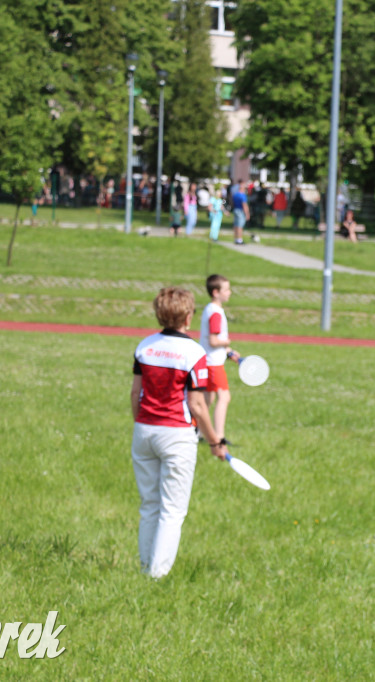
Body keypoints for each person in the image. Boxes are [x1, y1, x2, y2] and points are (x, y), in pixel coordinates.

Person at [131, 286, 228, 579]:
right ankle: (156, 576)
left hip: (144, 430)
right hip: (177, 434)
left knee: (149, 504)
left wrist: (142, 424)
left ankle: (146, 566)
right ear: (188, 316)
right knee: (172, 509)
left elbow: (136, 392)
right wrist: (215, 441)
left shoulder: (145, 346)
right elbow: (197, 405)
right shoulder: (193, 352)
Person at [199, 274, 240, 445]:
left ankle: (199, 433)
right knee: (224, 397)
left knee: (208, 399)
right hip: (213, 364)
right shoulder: (215, 313)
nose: (230, 292)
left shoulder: (210, 309)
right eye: (227, 289)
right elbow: (214, 340)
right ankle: (219, 437)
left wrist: (229, 351)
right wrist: (227, 342)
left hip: (208, 360)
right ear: (215, 292)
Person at [230, 180, 250, 245]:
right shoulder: (243, 195)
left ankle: (236, 238)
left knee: (236, 225)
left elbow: (232, 203)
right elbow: (244, 205)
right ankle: (239, 239)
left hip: (235, 210)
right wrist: (247, 213)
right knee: (240, 226)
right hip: (241, 211)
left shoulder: (235, 195)